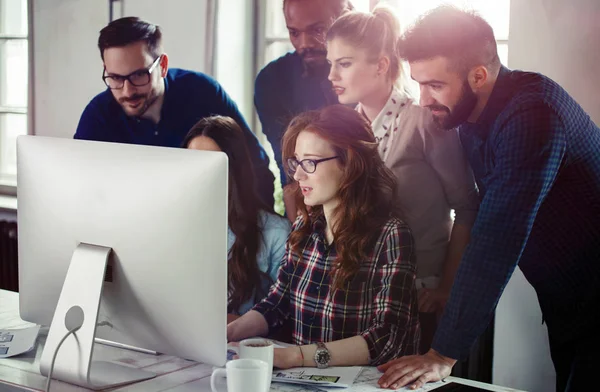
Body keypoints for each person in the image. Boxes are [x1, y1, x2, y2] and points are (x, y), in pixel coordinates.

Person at [377, 6, 600, 391]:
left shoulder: (533, 115)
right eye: (418, 83)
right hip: (570, 301)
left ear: (478, 76)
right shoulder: (468, 113)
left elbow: (496, 238)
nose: (423, 98)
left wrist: (442, 354)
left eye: (434, 84)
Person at [325, 7, 479, 353]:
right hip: (363, 293)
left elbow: (468, 208)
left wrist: (446, 289)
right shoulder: (345, 128)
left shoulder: (422, 120)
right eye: (330, 62)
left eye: (344, 63)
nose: (332, 74)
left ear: (381, 65)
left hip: (419, 297)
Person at [227, 104, 420, 369]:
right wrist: (231, 332)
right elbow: (278, 301)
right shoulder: (304, 228)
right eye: (297, 161)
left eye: (310, 162)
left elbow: (387, 338)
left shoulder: (390, 234)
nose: (297, 174)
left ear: (350, 163)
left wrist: (296, 357)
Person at [75, 16, 275, 207]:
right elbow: (78, 186)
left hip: (210, 219)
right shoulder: (98, 115)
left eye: (138, 75)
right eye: (116, 78)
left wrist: (253, 232)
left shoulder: (203, 92)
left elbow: (254, 164)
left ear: (162, 65)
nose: (127, 91)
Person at [182, 116, 291, 322]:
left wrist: (235, 322)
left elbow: (286, 316)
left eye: (211, 164)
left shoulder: (275, 233)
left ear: (235, 169)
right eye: (192, 162)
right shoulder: (175, 225)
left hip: (241, 349)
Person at [254, 0, 353, 218]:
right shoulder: (271, 81)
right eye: (294, 32)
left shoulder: (360, 77)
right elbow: (287, 164)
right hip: (306, 207)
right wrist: (298, 237)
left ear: (344, 17)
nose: (304, 43)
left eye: (317, 30)